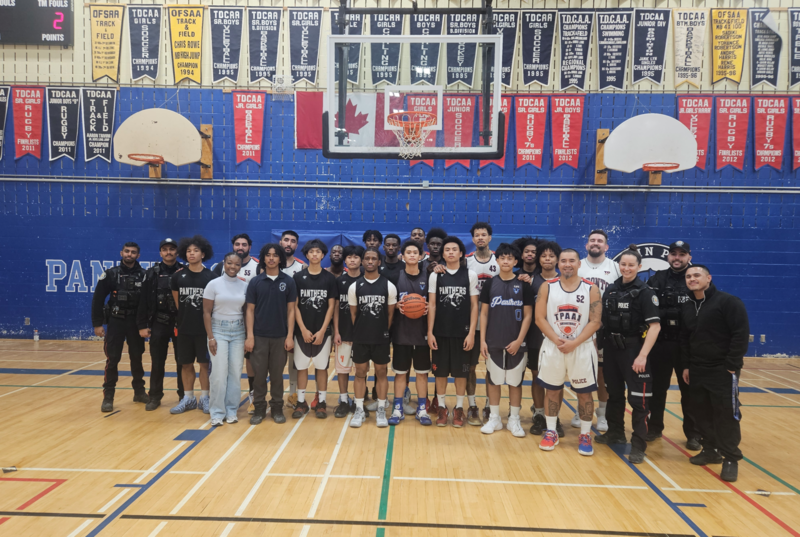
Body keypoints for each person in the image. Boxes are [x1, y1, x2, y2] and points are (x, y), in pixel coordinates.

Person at [680, 265, 749, 482]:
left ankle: (730, 458)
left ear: (708, 278)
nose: (692, 279)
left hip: (722, 370)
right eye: (689, 276)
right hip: (698, 369)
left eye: (697, 275)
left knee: (726, 415)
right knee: (701, 413)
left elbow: (740, 334)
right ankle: (710, 450)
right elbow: (686, 339)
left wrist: (731, 364)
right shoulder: (688, 306)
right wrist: (687, 365)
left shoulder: (728, 302)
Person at [596, 245, 661, 464]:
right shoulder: (612, 289)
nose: (626, 268)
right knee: (614, 394)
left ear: (639, 267)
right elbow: (603, 322)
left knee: (639, 401)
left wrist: (642, 356)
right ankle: (615, 432)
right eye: (623, 264)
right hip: (612, 351)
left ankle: (638, 445)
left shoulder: (645, 293)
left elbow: (655, 327)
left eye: (631, 265)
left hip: (634, 351)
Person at [535, 249, 602, 455]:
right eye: (563, 261)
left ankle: (584, 434)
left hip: (581, 348)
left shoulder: (591, 288)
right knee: (552, 391)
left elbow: (595, 321)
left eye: (571, 260)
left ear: (578, 263)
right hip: (553, 346)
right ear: (558, 263)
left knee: (585, 394)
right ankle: (551, 431)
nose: (567, 264)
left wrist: (574, 343)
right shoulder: (547, 286)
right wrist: (557, 340)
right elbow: (539, 318)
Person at [647, 241, 701, 449]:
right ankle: (654, 427)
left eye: (682, 254)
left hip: (687, 346)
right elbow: (649, 309)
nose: (677, 258)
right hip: (661, 344)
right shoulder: (657, 278)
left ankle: (694, 434)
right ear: (668, 256)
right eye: (673, 254)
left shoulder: (696, 278)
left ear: (689, 256)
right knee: (658, 389)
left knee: (689, 391)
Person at [479, 243, 535, 437]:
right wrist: (482, 340)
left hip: (516, 342)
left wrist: (520, 340)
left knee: (515, 382)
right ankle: (494, 418)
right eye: (502, 258)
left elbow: (528, 315)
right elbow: (483, 314)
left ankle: (514, 419)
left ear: (515, 261)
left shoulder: (523, 284)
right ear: (497, 260)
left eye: (509, 258)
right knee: (494, 380)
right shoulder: (489, 283)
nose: (505, 261)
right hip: (493, 340)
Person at [428, 236, 479, 427]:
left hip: (462, 332)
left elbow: (475, 306)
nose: (450, 252)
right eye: (446, 249)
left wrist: (472, 332)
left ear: (460, 253)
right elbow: (432, 305)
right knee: (440, 373)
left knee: (461, 374)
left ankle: (458, 408)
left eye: (454, 249)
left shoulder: (470, 275)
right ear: (442, 254)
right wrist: (430, 332)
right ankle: (442, 407)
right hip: (440, 333)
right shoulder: (436, 275)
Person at [92, 242, 148, 413]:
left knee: (137, 358)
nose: (129, 254)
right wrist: (97, 324)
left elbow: (147, 303)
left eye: (133, 252)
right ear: (121, 253)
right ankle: (108, 397)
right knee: (112, 359)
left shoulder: (145, 276)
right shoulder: (110, 274)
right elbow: (98, 299)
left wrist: (145, 325)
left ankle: (139, 392)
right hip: (115, 322)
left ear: (138, 255)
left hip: (135, 323)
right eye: (127, 251)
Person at [574, 230, 620, 432]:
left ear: (606, 247)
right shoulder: (577, 265)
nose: (595, 243)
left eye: (600, 241)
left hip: (605, 327)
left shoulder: (616, 268)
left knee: (603, 373)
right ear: (586, 245)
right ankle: (580, 409)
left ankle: (602, 414)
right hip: (580, 326)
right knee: (579, 370)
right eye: (592, 240)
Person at [246, 243, 297, 425]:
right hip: (259, 336)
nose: (271, 258)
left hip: (280, 337)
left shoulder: (288, 281)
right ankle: (259, 408)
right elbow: (250, 311)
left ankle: (277, 408)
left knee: (276, 375)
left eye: (275, 255)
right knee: (259, 375)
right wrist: (250, 336)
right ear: (263, 258)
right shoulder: (255, 282)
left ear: (280, 258)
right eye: (268, 255)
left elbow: (291, 311)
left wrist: (290, 335)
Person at [348, 247, 398, 428]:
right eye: (367, 258)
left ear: (379, 262)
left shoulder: (388, 285)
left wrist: (382, 330)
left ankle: (381, 409)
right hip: (361, 337)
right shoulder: (354, 286)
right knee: (360, 373)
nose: (370, 261)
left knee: (381, 372)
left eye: (373, 258)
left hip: (380, 337)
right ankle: (359, 409)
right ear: (362, 262)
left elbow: (390, 314)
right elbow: (354, 314)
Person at [212, 234, 259, 414]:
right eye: (237, 244)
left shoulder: (257, 266)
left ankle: (253, 397)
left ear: (249, 247)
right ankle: (218, 401)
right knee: (221, 367)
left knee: (249, 362)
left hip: (248, 322)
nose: (240, 247)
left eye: (244, 244)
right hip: (223, 323)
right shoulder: (219, 267)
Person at [170, 236, 217, 414]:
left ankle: (205, 397)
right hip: (184, 329)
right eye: (189, 251)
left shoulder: (211, 277)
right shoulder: (178, 277)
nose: (192, 253)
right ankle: (188, 398)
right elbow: (178, 303)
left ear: (203, 254)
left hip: (204, 330)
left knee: (204, 365)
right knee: (186, 364)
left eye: (196, 250)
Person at [387, 240, 433, 426]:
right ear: (402, 256)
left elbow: (434, 303)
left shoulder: (429, 277)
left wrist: (430, 306)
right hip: (401, 333)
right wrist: (395, 305)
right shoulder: (395, 277)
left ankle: (422, 409)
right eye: (409, 252)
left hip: (421, 334)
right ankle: (397, 408)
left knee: (422, 374)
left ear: (421, 256)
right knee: (400, 373)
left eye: (416, 252)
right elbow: (387, 302)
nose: (412, 255)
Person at [137, 238, 185, 411]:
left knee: (183, 361)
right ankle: (155, 396)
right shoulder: (151, 273)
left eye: (172, 249)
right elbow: (143, 301)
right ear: (160, 253)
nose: (168, 252)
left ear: (177, 252)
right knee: (157, 362)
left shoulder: (184, 271)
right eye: (165, 249)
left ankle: (184, 396)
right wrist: (142, 325)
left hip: (180, 323)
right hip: (159, 322)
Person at [292, 239, 338, 419]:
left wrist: (322, 330)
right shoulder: (297, 278)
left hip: (322, 333)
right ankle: (301, 402)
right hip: (301, 331)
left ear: (323, 255)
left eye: (318, 252)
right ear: (306, 255)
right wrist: (302, 329)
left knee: (321, 368)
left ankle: (322, 402)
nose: (314, 255)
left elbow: (331, 307)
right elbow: (294, 306)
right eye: (311, 252)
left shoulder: (329, 278)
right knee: (301, 367)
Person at [203, 252, 248, 426]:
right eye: (230, 263)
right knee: (219, 374)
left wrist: (246, 335)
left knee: (235, 374)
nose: (233, 267)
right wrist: (211, 337)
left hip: (238, 332)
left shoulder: (244, 286)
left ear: (240, 266)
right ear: (224, 263)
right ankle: (217, 412)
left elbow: (246, 313)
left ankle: (231, 410)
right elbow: (206, 312)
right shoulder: (213, 284)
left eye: (237, 264)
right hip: (218, 331)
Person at [465, 222, 499, 425]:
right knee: (469, 367)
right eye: (476, 235)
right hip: (472, 324)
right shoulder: (466, 262)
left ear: (490, 237)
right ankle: (472, 405)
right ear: (472, 239)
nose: (480, 238)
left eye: (483, 235)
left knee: (491, 369)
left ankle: (489, 406)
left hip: (494, 324)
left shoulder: (500, 260)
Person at [333, 245, 364, 418]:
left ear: (361, 260)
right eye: (349, 257)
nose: (352, 260)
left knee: (361, 370)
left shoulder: (367, 280)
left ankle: (359, 401)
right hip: (343, 333)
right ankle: (344, 401)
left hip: (362, 335)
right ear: (344, 260)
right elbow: (336, 308)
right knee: (342, 370)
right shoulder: (339, 281)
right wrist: (336, 331)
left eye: (356, 257)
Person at [279, 230, 305, 410]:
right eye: (286, 240)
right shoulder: (269, 264)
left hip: (293, 321)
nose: (289, 243)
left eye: (293, 241)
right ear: (281, 242)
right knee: (272, 362)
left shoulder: (302, 268)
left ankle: (293, 394)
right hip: (272, 320)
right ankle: (272, 396)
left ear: (296, 245)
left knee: (294, 362)